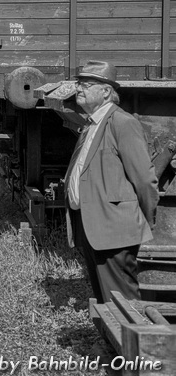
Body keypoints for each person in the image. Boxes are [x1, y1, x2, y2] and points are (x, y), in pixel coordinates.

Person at [65, 60, 159, 303]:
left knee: (122, 300)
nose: (79, 89)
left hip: (115, 228)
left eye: (86, 84)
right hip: (93, 225)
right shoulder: (92, 124)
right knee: (105, 298)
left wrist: (140, 221)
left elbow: (144, 179)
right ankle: (109, 341)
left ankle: (130, 340)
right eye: (79, 84)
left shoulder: (123, 123)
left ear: (106, 91)